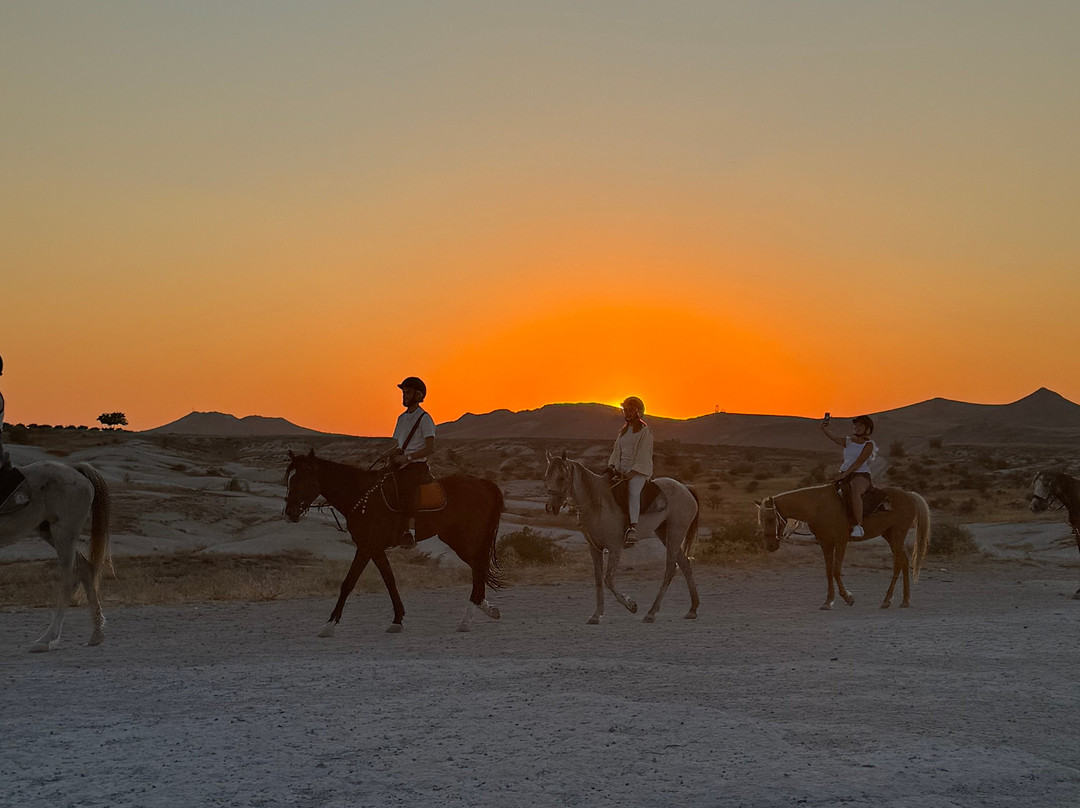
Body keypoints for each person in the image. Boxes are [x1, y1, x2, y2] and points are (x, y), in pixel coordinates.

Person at [380, 376, 436, 549]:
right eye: (403, 392)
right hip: (401, 462)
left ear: (418, 395)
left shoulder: (425, 418)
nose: (404, 396)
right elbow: (400, 445)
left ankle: (409, 533)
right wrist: (386, 454)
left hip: (416, 466)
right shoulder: (401, 419)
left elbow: (430, 448)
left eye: (408, 392)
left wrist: (408, 457)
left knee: (407, 488)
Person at [607, 396, 654, 547]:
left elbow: (644, 454)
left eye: (630, 410)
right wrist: (613, 466)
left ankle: (633, 527)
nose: (626, 413)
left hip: (638, 472)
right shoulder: (623, 432)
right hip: (620, 471)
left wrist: (632, 472)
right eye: (624, 410)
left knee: (633, 493)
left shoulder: (645, 432)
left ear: (638, 412)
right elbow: (616, 451)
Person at [821, 413, 878, 537]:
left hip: (861, 475)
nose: (857, 427)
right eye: (856, 425)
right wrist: (824, 429)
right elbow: (834, 437)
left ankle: (859, 525)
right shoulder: (848, 442)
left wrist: (843, 475)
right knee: (828, 492)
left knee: (855, 489)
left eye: (860, 425)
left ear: (867, 429)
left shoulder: (869, 445)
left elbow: (858, 463)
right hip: (845, 474)